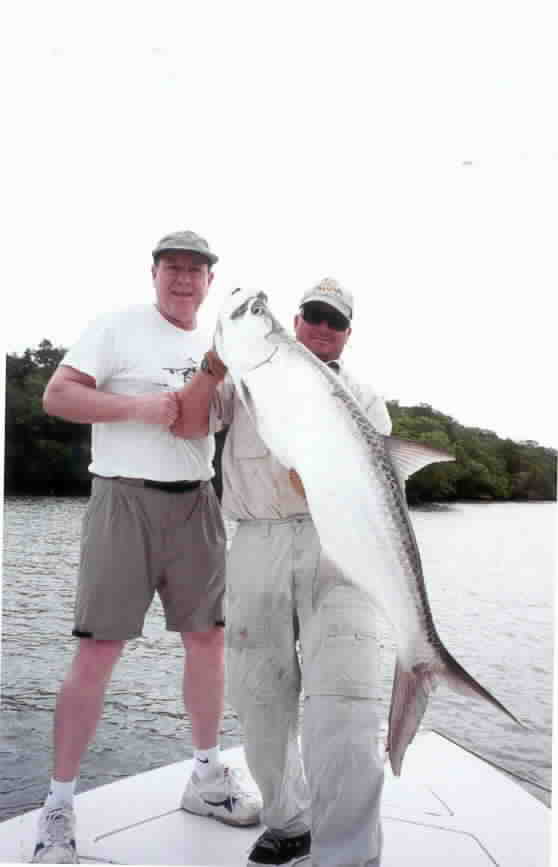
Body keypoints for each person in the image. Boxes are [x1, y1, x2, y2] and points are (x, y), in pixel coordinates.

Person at [32, 230, 262, 865]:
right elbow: (56, 396)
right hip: (122, 500)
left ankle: (206, 775)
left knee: (208, 640)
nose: (184, 279)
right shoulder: (116, 326)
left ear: (211, 281)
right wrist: (135, 409)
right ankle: (58, 806)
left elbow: (214, 422)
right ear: (154, 274)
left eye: (196, 270)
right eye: (173, 268)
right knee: (98, 651)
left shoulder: (225, 348)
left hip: (197, 500)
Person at [175, 278, 392, 866]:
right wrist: (213, 363)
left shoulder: (366, 400)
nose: (323, 327)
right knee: (260, 697)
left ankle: (346, 856)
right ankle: (287, 820)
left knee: (344, 703)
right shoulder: (239, 384)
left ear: (348, 335)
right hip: (256, 541)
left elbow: (371, 493)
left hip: (339, 546)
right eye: (314, 315)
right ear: (295, 321)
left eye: (336, 321)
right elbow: (189, 422)